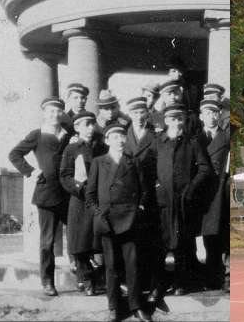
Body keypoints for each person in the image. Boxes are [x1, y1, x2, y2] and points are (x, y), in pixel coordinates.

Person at [86, 122, 153, 322]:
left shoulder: (133, 162)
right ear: (107, 141)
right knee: (112, 265)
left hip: (129, 220)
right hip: (107, 221)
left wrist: (139, 209)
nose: (120, 140)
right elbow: (90, 195)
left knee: (132, 264)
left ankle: (135, 306)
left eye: (122, 136)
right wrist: (98, 214)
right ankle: (114, 307)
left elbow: (144, 191)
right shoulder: (98, 162)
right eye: (115, 137)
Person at [8, 97, 72, 297]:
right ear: (44, 113)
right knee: (47, 241)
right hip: (47, 194)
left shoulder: (69, 135)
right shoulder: (37, 134)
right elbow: (14, 154)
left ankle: (86, 279)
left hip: (69, 194)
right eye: (50, 111)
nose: (54, 114)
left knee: (79, 236)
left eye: (58, 111)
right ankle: (47, 281)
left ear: (62, 113)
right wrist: (31, 171)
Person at [154, 103, 212, 295]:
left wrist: (191, 189)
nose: (177, 123)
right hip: (163, 202)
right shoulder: (158, 142)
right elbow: (146, 167)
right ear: (166, 121)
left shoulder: (192, 142)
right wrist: (156, 186)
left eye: (180, 119)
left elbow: (205, 168)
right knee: (162, 242)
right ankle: (161, 283)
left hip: (183, 201)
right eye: (173, 119)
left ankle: (181, 282)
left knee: (182, 242)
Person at [60, 111, 108, 296]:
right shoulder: (71, 149)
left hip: (98, 200)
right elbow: (64, 176)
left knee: (98, 240)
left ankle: (101, 278)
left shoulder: (102, 148)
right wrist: (79, 188)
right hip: (79, 200)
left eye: (91, 124)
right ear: (77, 128)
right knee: (80, 242)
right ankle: (86, 278)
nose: (89, 128)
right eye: (85, 124)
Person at [124, 96, 165, 307]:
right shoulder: (122, 136)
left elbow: (161, 166)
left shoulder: (155, 136)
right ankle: (136, 288)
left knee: (152, 244)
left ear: (147, 114)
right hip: (129, 197)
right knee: (133, 245)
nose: (139, 116)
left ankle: (156, 288)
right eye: (135, 113)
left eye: (142, 112)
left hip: (150, 197)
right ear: (129, 114)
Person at [198, 99, 230, 291]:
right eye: (208, 112)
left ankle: (227, 277)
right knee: (208, 236)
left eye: (215, 112)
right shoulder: (195, 138)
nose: (212, 116)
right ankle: (212, 276)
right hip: (203, 192)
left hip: (221, 191)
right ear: (201, 116)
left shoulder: (226, 138)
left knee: (224, 236)